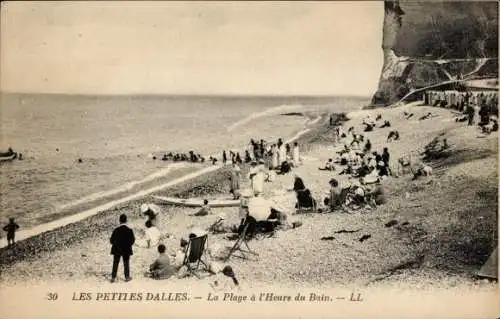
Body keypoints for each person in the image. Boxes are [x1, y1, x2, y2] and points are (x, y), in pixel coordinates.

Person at [110, 214, 135, 283]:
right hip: (126, 249)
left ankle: (113, 277)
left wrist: (116, 244)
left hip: (117, 249)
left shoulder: (116, 230)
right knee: (126, 263)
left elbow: (111, 240)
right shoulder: (130, 230)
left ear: (119, 221)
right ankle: (127, 277)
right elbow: (132, 240)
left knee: (115, 263)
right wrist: (128, 245)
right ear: (126, 220)